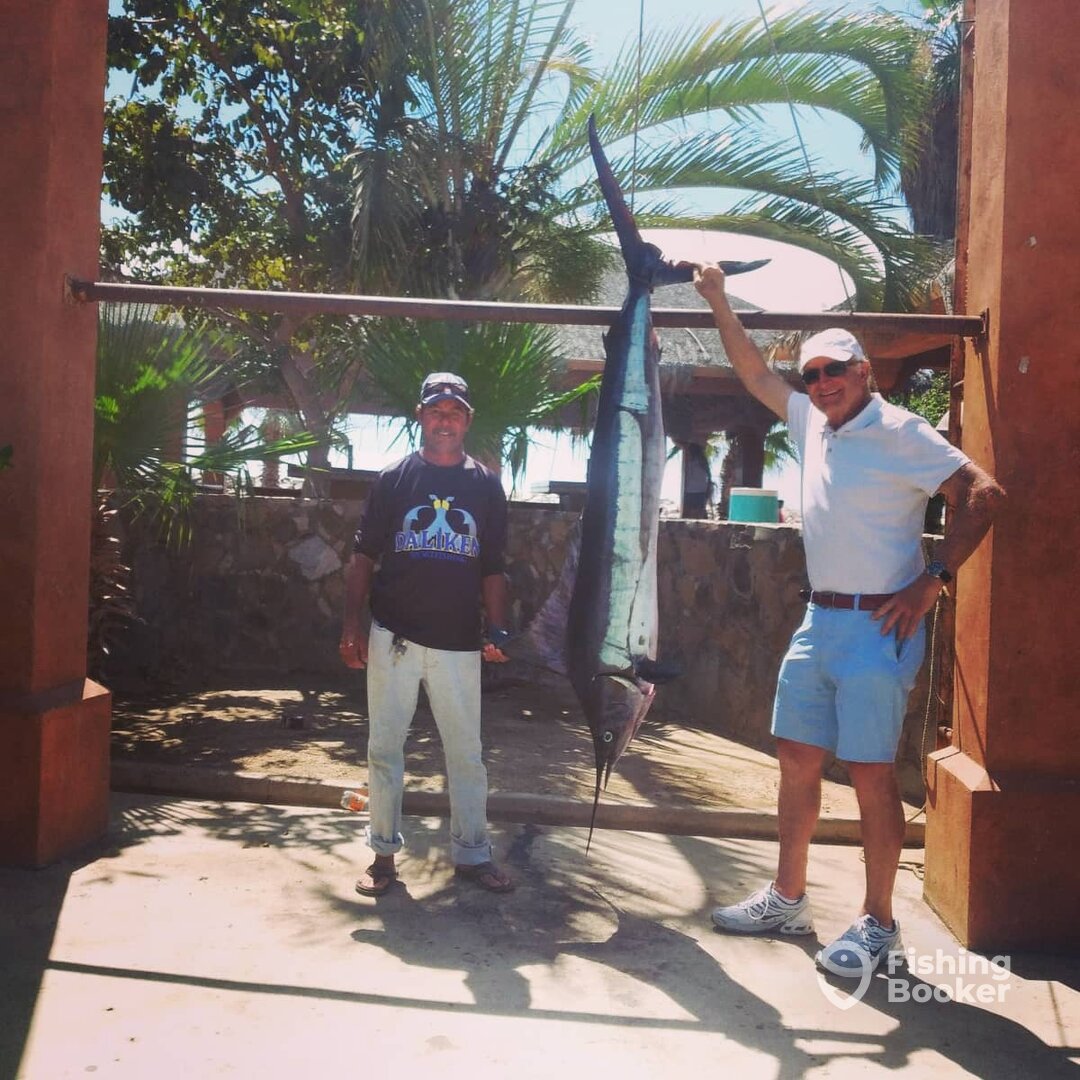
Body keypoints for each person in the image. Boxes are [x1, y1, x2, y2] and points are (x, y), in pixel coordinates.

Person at [693, 265, 1005, 977]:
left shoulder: (902, 431)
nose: (823, 383)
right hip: (820, 621)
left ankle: (879, 924)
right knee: (796, 759)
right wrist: (715, 298)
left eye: (835, 369)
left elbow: (984, 494)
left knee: (869, 774)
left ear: (864, 371)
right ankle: (788, 898)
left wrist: (932, 581)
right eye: (812, 375)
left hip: (878, 628)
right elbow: (752, 373)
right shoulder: (811, 420)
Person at [339, 372, 514, 896]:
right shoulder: (394, 479)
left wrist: (498, 628)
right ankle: (383, 857)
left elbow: (493, 565)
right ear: (420, 416)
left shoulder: (485, 485)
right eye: (436, 411)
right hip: (394, 636)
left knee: (466, 754)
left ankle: (473, 854)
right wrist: (351, 625)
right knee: (384, 749)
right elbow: (363, 556)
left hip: (458, 642)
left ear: (467, 421)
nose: (444, 420)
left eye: (454, 412)